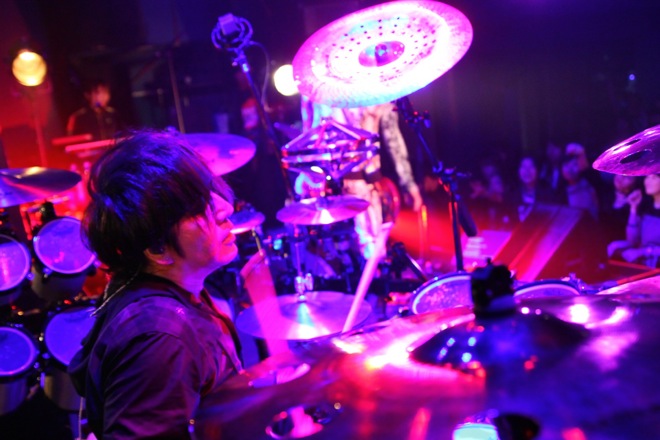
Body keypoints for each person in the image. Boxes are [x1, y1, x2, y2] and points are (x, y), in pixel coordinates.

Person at [68, 130, 243, 439]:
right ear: (158, 249)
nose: (224, 208)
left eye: (209, 190)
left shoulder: (175, 292)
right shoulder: (160, 339)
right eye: (196, 208)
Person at [298, 97, 423, 259]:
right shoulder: (315, 88)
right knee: (338, 255)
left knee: (371, 252)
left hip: (363, 186)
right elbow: (309, 132)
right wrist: (307, 175)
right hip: (330, 187)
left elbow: (392, 137)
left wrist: (409, 183)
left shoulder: (376, 88)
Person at [615, 173, 660, 266]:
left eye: (653, 178)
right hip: (643, 262)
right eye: (647, 177)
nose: (647, 181)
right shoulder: (645, 206)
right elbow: (632, 240)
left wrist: (644, 251)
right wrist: (633, 208)